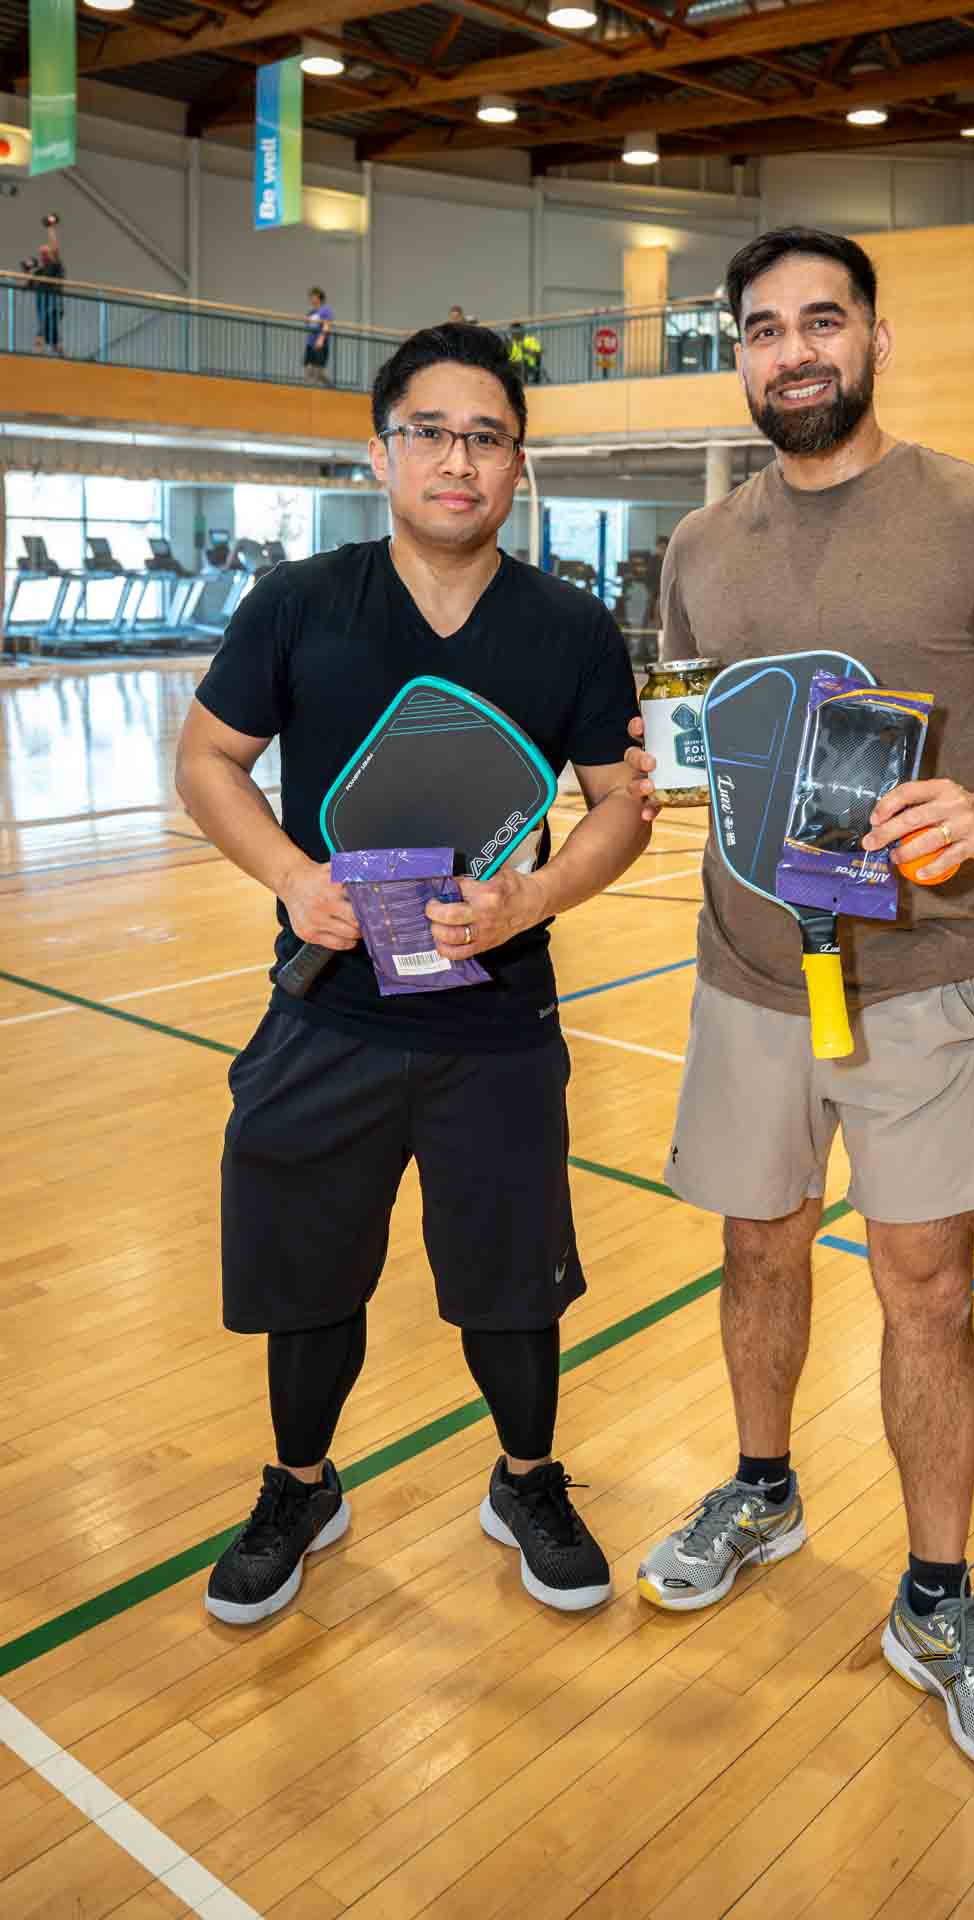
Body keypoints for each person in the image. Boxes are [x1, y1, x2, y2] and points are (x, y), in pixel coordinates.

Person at [631, 227, 974, 1777]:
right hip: (747, 976)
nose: (794, 352)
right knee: (758, 1250)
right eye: (764, 329)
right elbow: (694, 735)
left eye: (822, 322)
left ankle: (934, 1595)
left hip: (919, 983)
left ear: (874, 340)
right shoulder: (700, 545)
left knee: (927, 1291)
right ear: (739, 355)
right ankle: (763, 1490)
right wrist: (662, 773)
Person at [175, 322, 653, 1625]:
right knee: (306, 1274)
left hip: (497, 1026)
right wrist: (293, 877)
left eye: (486, 437)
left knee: (513, 1280)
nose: (457, 459)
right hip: (325, 1013)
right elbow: (208, 760)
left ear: (517, 465)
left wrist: (531, 899)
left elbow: (621, 804)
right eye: (430, 433)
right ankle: (300, 1487)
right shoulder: (299, 603)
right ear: (380, 452)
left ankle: (527, 1480)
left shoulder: (569, 628)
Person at [29, 242, 65, 355]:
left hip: (54, 305)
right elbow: (28, 285)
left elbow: (56, 251)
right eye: (41, 254)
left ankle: (38, 350)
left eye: (45, 253)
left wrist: (51, 232)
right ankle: (60, 351)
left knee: (43, 329)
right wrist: (30, 272)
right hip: (43, 306)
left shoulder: (55, 265)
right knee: (51, 333)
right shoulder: (39, 271)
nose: (43, 256)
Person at [303, 286, 333, 385]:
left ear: (319, 297)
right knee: (308, 369)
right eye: (310, 297)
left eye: (313, 297)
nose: (311, 299)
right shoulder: (311, 312)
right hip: (310, 343)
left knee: (318, 373)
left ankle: (330, 386)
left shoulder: (326, 310)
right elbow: (309, 325)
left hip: (320, 344)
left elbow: (327, 325)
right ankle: (308, 387)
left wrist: (321, 339)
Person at [508, 319, 543, 384]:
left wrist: (525, 350)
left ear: (521, 331)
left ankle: (523, 383)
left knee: (521, 363)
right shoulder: (513, 343)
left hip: (530, 365)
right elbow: (511, 357)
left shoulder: (530, 339)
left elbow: (539, 353)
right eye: (512, 332)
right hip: (516, 365)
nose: (512, 334)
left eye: (514, 332)